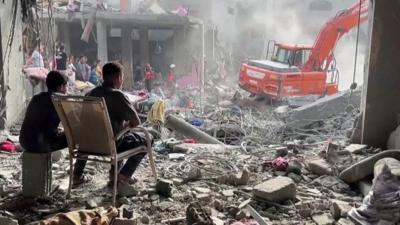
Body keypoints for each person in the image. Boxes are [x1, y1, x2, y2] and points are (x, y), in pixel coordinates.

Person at [72, 62, 150, 192]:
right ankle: (121, 176)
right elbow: (136, 122)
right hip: (110, 145)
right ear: (118, 78)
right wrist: (126, 124)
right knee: (146, 139)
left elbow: (85, 121)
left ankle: (76, 176)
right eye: (122, 77)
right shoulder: (117, 95)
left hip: (88, 144)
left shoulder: (89, 94)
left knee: (118, 133)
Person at [19, 71, 68, 153]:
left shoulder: (36, 98)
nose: (67, 89)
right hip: (41, 144)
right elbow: (70, 125)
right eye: (66, 86)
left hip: (24, 142)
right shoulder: (58, 101)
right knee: (74, 135)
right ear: (61, 87)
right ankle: (78, 165)